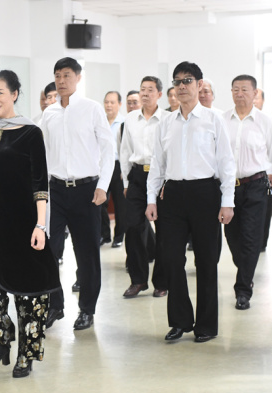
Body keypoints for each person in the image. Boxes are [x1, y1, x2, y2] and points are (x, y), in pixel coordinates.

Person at [0, 70, 61, 378]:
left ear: (15, 94)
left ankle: (26, 354)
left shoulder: (30, 133)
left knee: (28, 294)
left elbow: (40, 184)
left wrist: (41, 226)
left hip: (24, 224)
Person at [146, 61, 235, 343]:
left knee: (206, 261)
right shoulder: (166, 123)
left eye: (188, 80)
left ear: (199, 84)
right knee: (171, 259)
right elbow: (157, 164)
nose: (182, 86)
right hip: (172, 196)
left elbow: (227, 163)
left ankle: (206, 325)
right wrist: (151, 198)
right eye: (177, 81)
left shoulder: (213, 119)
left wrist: (227, 201)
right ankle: (180, 321)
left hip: (206, 195)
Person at [42, 57, 114, 330]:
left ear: (78, 77)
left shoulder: (92, 109)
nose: (61, 81)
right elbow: (43, 154)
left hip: (86, 190)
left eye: (67, 75)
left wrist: (103, 186)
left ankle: (87, 309)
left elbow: (108, 150)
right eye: (57, 75)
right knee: (48, 250)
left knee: (86, 254)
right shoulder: (49, 114)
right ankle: (54, 305)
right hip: (55, 191)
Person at [222, 75, 272, 311]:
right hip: (228, 187)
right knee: (233, 237)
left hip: (256, 185)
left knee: (251, 238)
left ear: (255, 93)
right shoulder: (222, 120)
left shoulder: (264, 121)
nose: (239, 93)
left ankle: (243, 290)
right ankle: (246, 270)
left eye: (244, 89)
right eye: (235, 89)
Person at [119, 76, 169, 298]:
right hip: (138, 176)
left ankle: (162, 282)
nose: (145, 93)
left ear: (159, 94)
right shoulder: (130, 119)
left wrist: (169, 181)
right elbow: (124, 151)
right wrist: (127, 182)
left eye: (150, 90)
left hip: (163, 178)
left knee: (166, 231)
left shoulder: (169, 119)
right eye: (142, 90)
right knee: (133, 228)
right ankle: (138, 280)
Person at [101, 91, 127, 248]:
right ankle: (104, 234)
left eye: (112, 102)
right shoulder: (100, 121)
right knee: (100, 203)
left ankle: (119, 236)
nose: (109, 105)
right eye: (106, 102)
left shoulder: (124, 123)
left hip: (118, 166)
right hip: (102, 165)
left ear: (119, 104)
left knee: (120, 204)